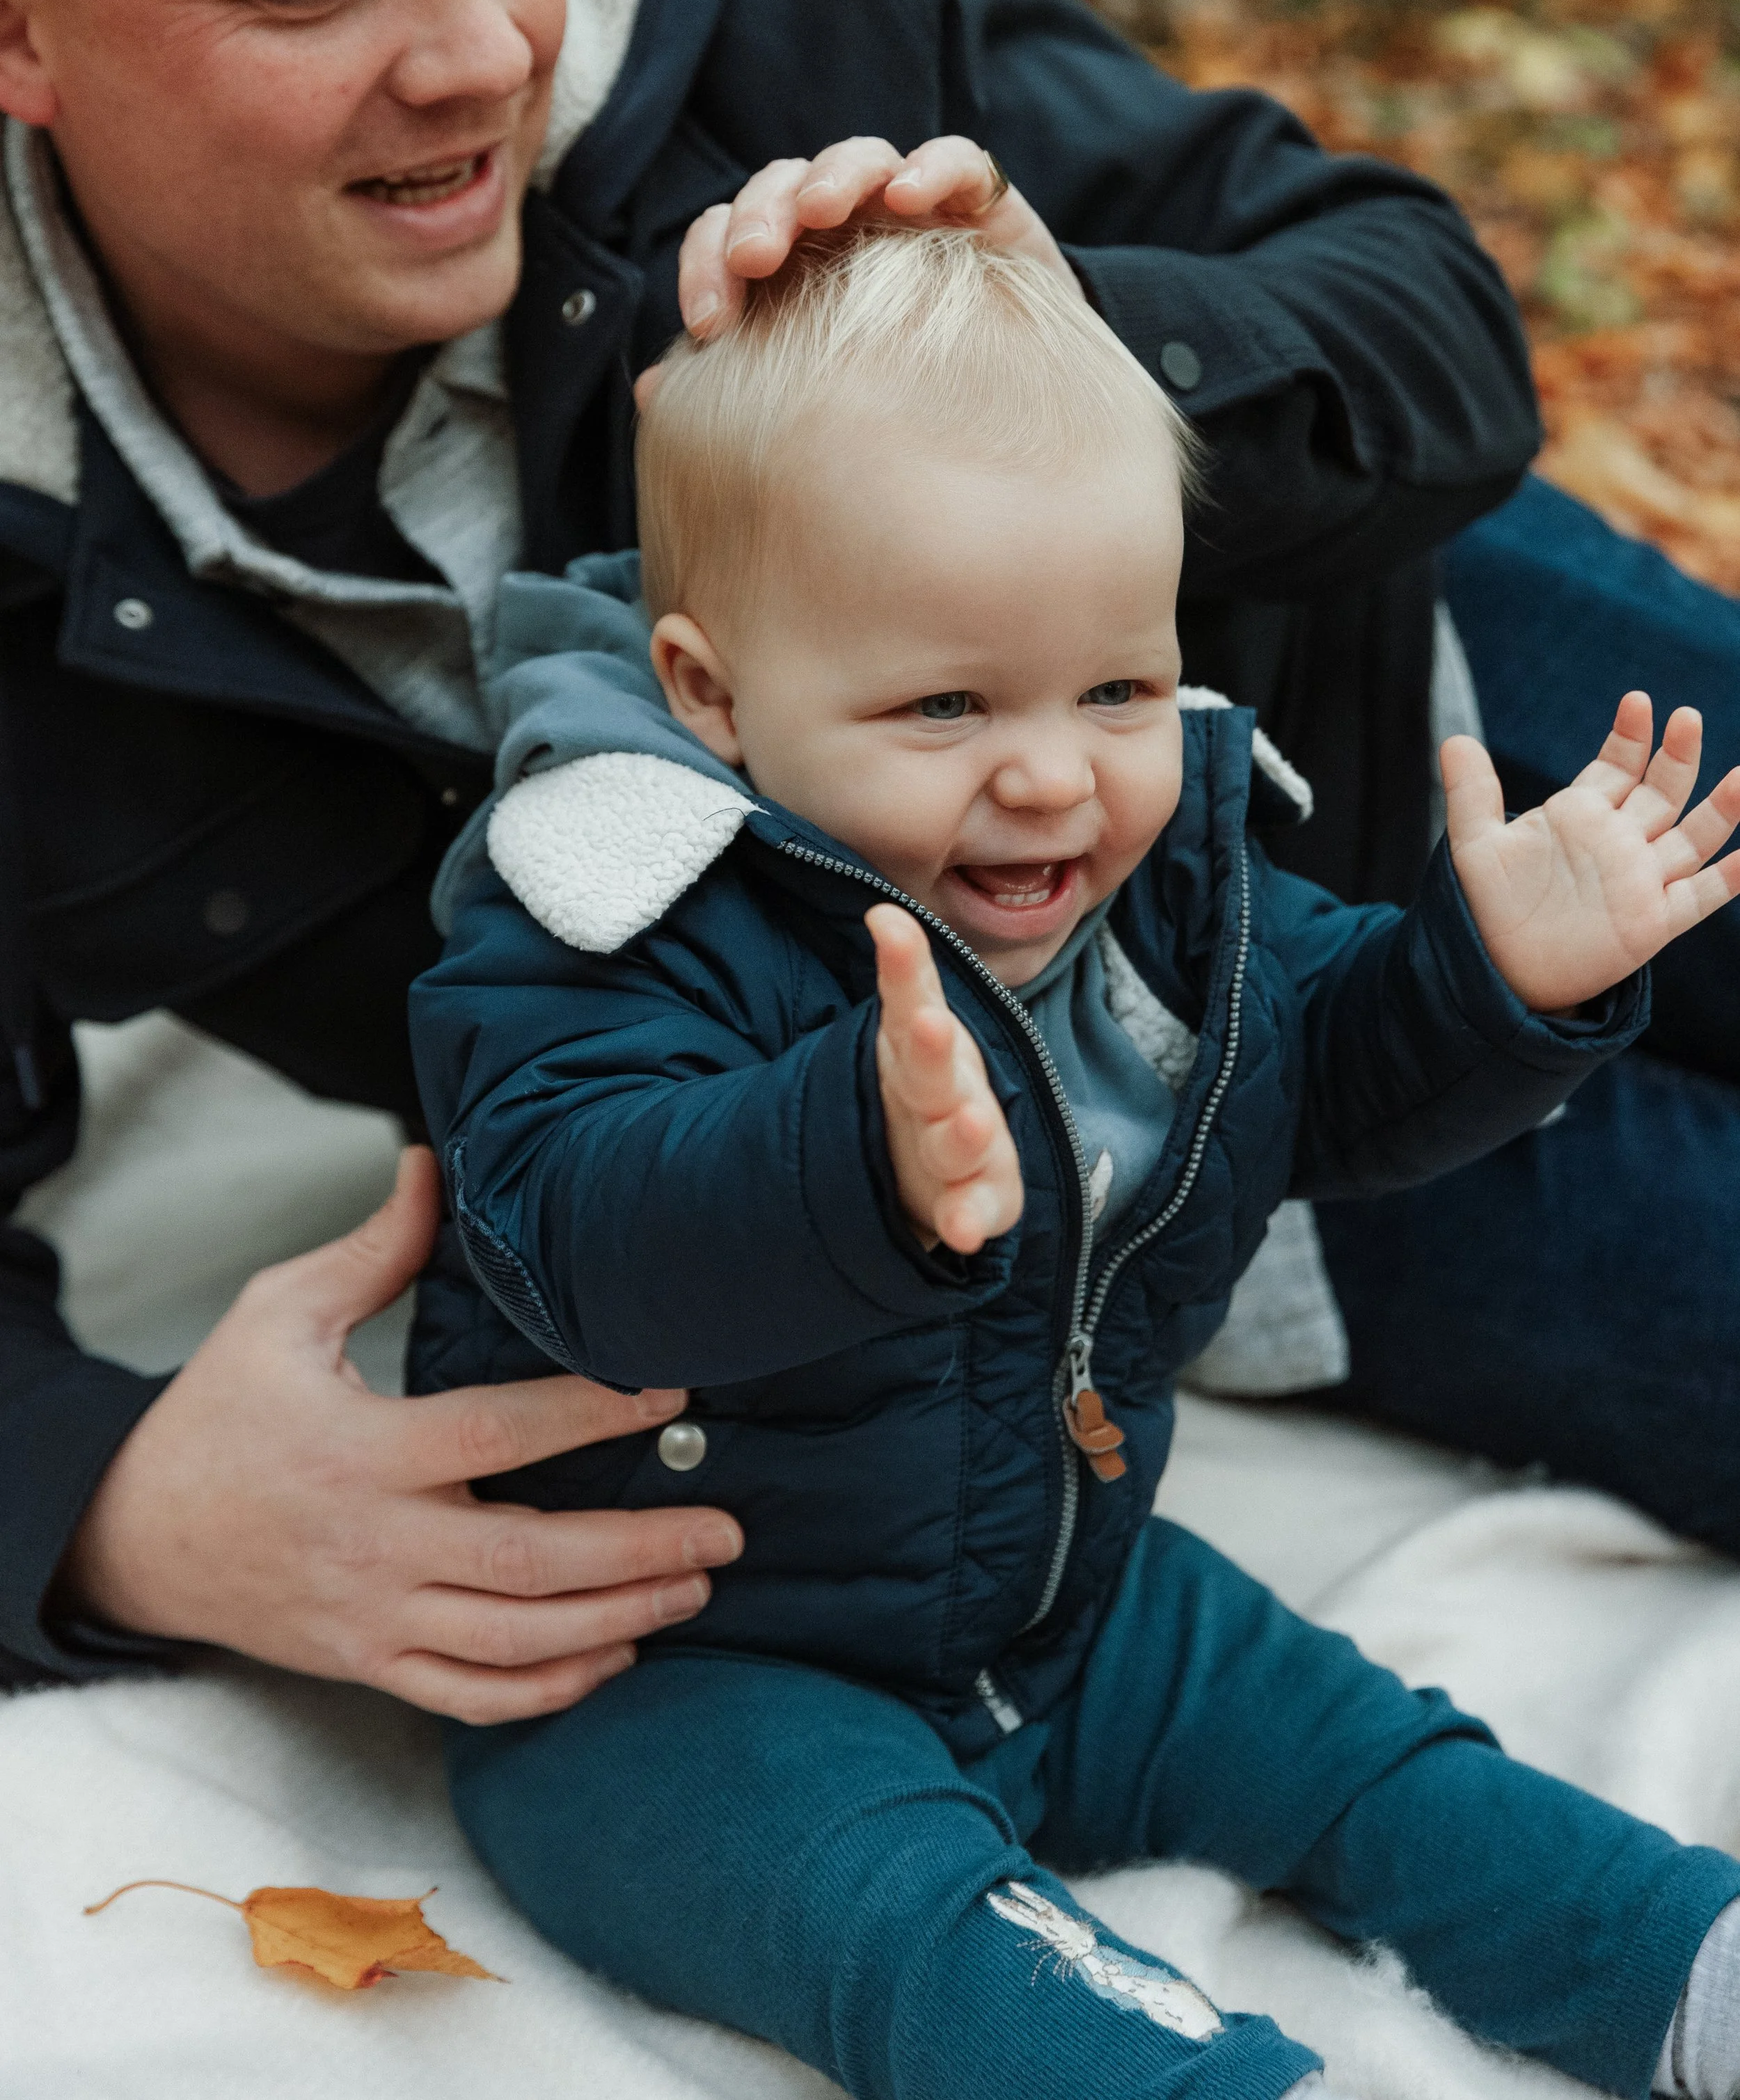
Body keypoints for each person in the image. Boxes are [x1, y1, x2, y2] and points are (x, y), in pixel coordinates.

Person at [0, 0, 1548, 1700]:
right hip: (1244, 1116)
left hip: (1430, 680)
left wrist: (1034, 344)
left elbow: (1430, 313)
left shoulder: (739, 15)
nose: (481, 54)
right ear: (18, 28)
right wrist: (117, 1502)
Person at [406, 226, 1740, 2100]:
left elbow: (1318, 1083)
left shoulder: (1161, 875)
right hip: (680, 1667)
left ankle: (1678, 1967)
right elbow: (582, 1223)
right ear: (711, 692)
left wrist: (1486, 980)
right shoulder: (602, 904)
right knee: (913, 1928)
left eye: (1114, 688)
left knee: (1360, 1754)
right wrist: (846, 1165)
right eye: (945, 707)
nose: (1052, 776)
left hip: (1060, 1603)